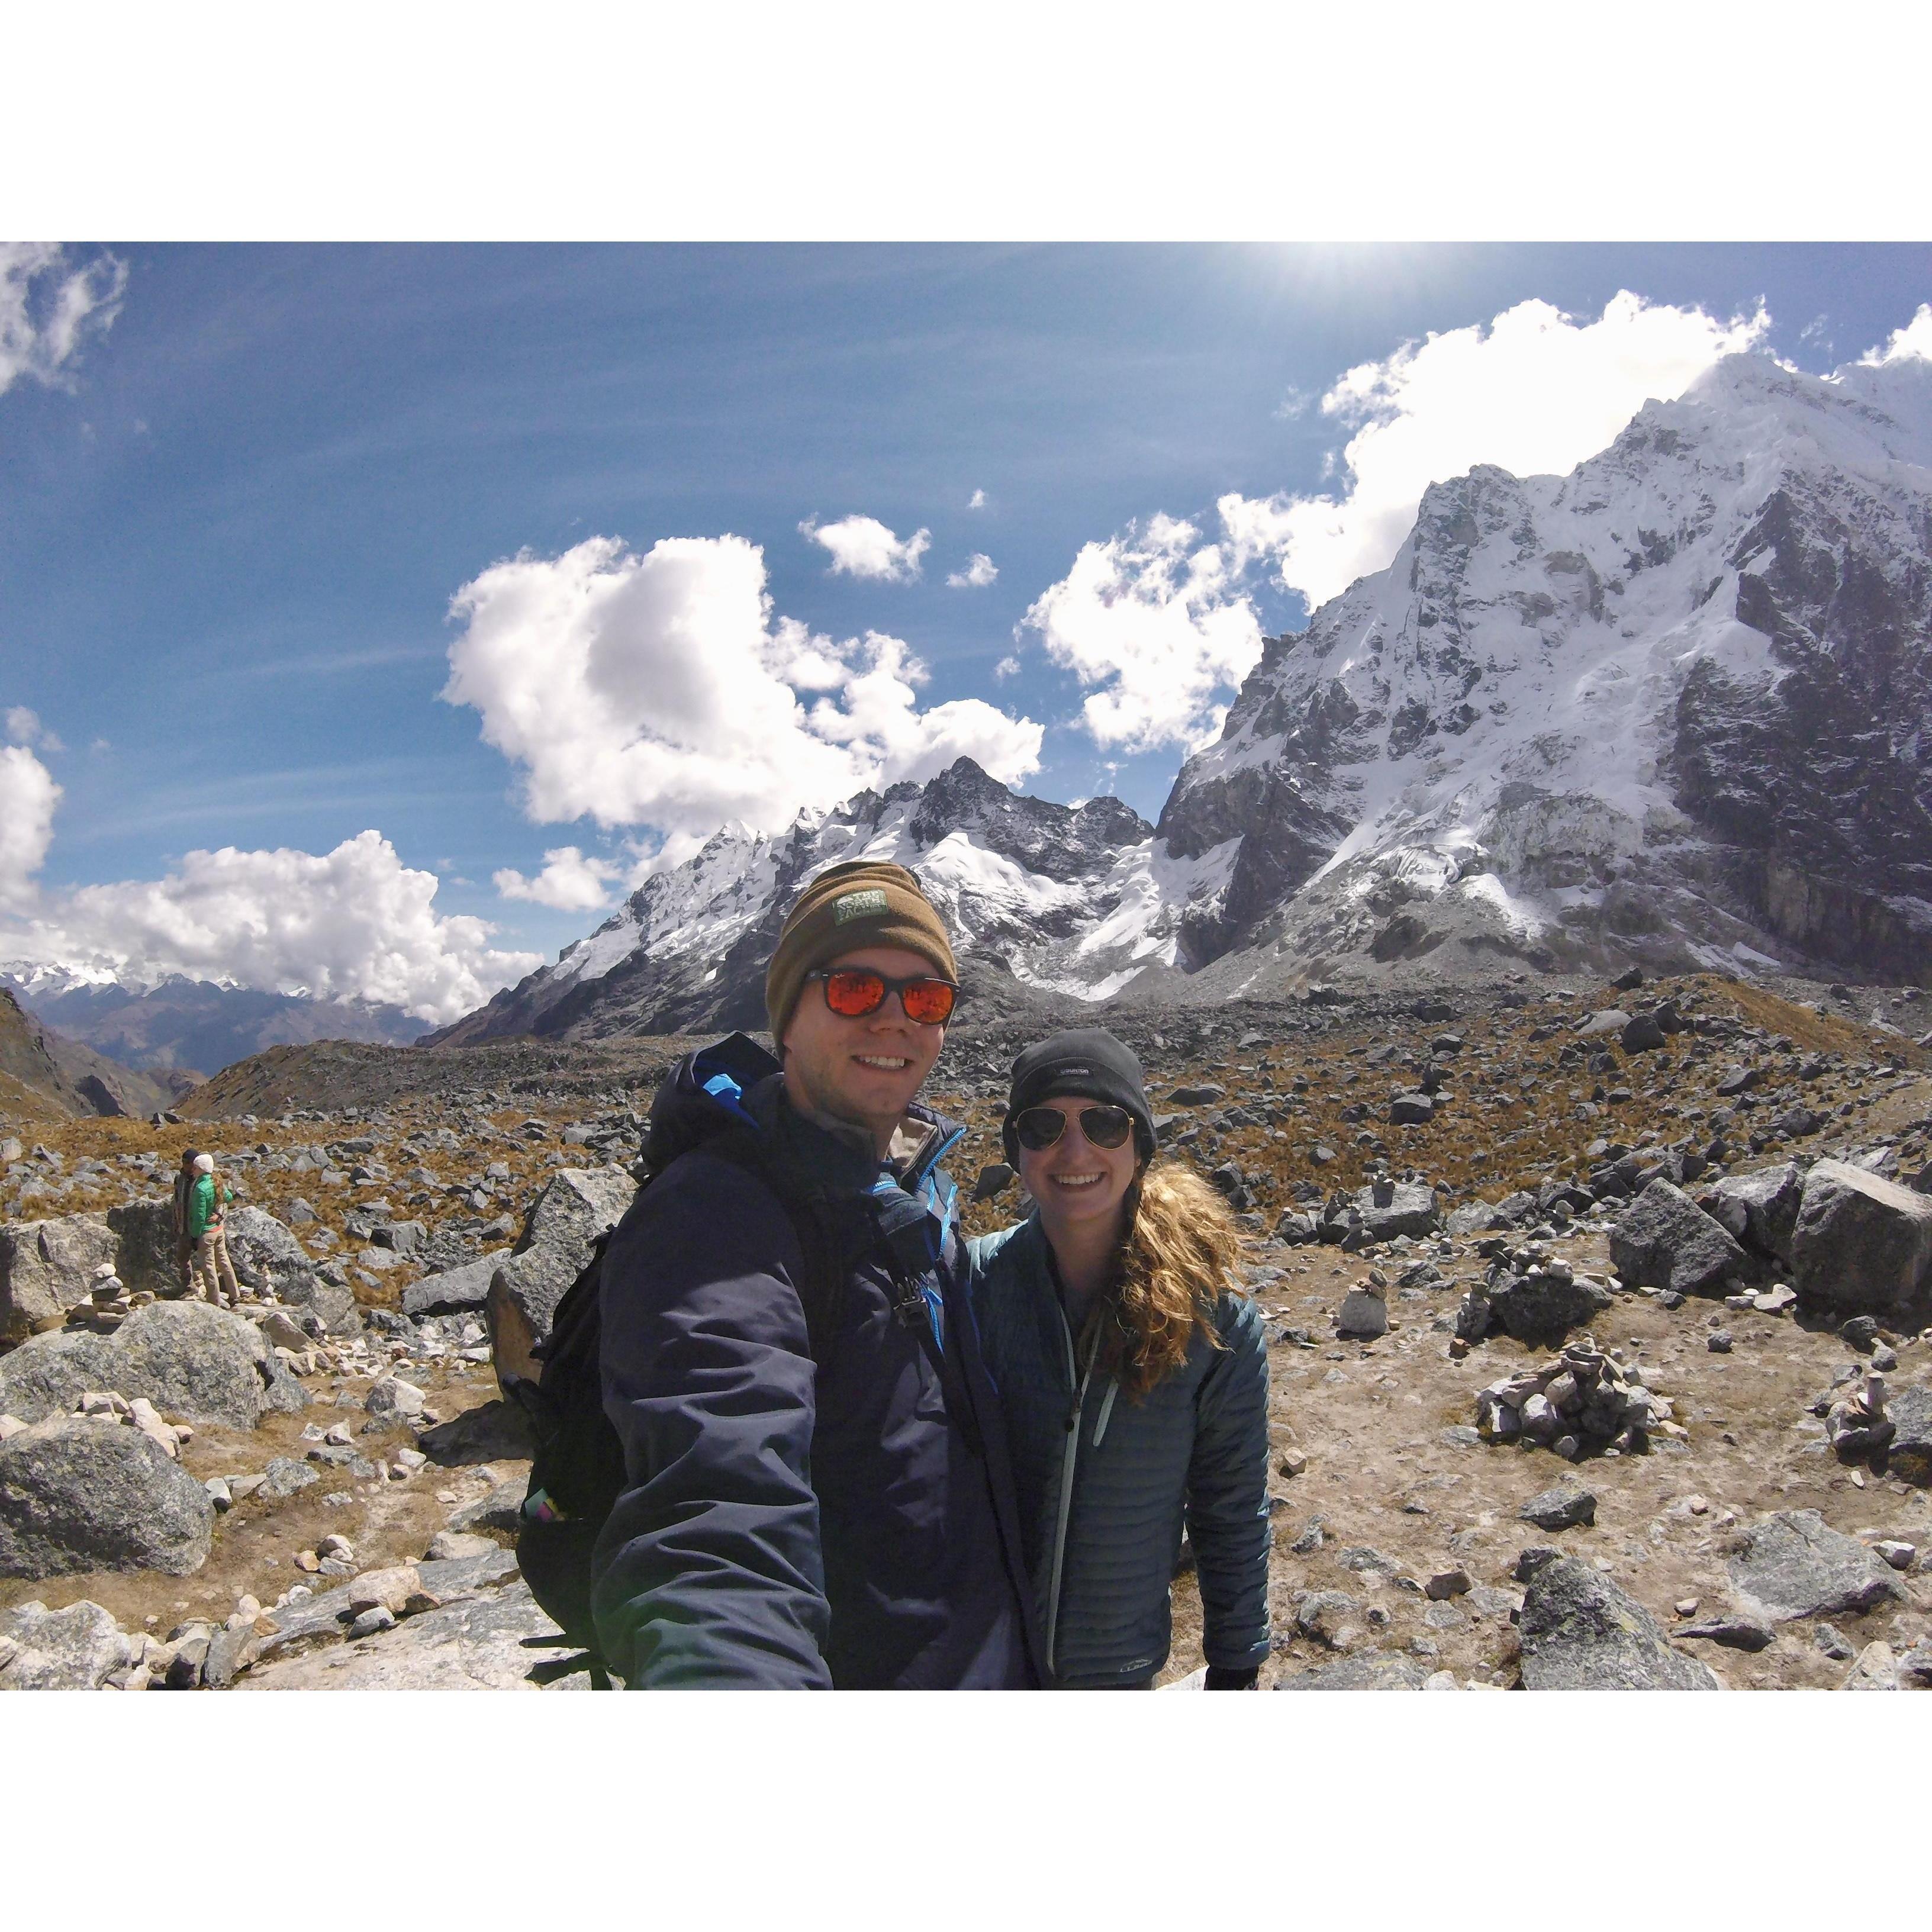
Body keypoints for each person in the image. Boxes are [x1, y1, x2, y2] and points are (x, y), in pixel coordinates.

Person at [589, 860, 1040, 1689]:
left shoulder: (906, 1190)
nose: (897, 1020)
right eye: (855, 990)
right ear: (786, 1019)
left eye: (927, 998)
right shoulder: (714, 1223)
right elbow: (717, 1517)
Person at [970, 1028, 1271, 1689]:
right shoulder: (972, 1284)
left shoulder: (1211, 1320)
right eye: (1045, 1125)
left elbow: (1230, 1502)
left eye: (1105, 1123)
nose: (1074, 1150)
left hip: (1117, 1668)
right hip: (981, 1660)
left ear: (1138, 1144)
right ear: (1015, 1150)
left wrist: (1237, 1661)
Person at [185, 1150, 241, 1309]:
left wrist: (194, 1236)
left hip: (206, 1233)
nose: (193, 1170)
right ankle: (235, 1294)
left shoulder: (201, 1189)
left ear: (202, 1169)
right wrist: (218, 1214)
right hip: (219, 1230)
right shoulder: (216, 1182)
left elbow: (199, 1216)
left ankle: (214, 1300)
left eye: (196, 1168)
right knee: (224, 1261)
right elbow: (229, 1198)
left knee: (209, 1267)